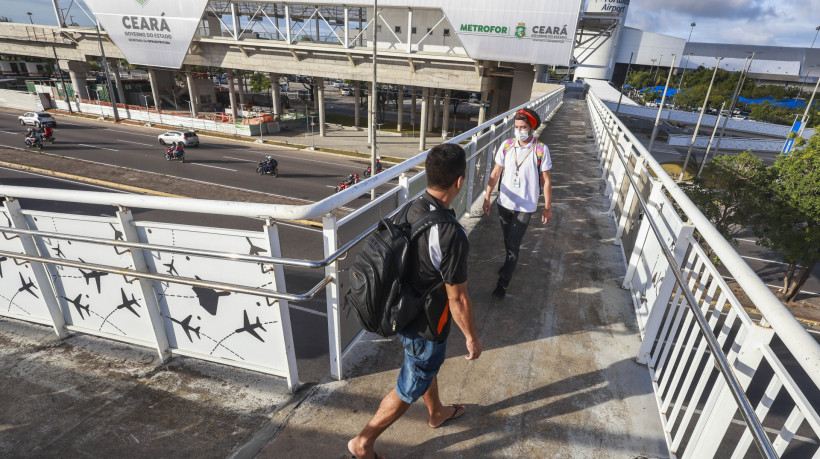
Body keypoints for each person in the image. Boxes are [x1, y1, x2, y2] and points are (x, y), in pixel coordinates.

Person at [346, 143, 482, 459]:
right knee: (409, 387)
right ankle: (363, 442)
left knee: (421, 368)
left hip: (402, 309)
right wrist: (472, 338)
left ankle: (436, 413)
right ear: (460, 181)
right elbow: (458, 298)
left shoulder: (413, 207)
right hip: (427, 325)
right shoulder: (451, 233)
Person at [482, 108, 553, 298]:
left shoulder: (540, 150)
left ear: (531, 128)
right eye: (516, 127)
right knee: (507, 240)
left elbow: (546, 180)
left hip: (525, 206)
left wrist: (547, 207)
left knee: (513, 245)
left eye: (523, 127)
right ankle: (508, 264)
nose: (519, 130)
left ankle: (502, 284)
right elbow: (496, 173)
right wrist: (487, 197)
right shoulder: (506, 146)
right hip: (504, 202)